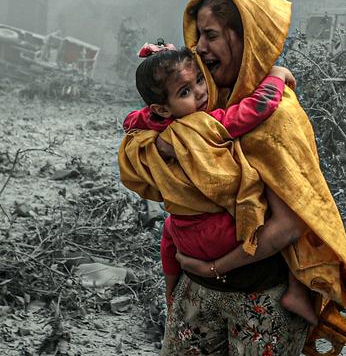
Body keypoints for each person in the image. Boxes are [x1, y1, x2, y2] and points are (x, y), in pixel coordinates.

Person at [119, 0, 346, 355]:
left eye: (212, 35)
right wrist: (159, 144)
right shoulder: (202, 105)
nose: (200, 47)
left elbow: (289, 223)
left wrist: (214, 266)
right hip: (197, 295)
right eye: (199, 34)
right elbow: (139, 167)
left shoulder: (275, 115)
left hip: (263, 301)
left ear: (247, 39)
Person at [123, 43, 317, 325]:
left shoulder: (157, 128)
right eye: (185, 92)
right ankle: (297, 291)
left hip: (185, 239)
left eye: (199, 79)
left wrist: (150, 117)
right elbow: (253, 110)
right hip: (221, 239)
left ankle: (170, 291)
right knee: (271, 216)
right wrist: (276, 76)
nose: (201, 92)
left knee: (169, 228)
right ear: (163, 108)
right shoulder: (204, 125)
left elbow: (131, 121)